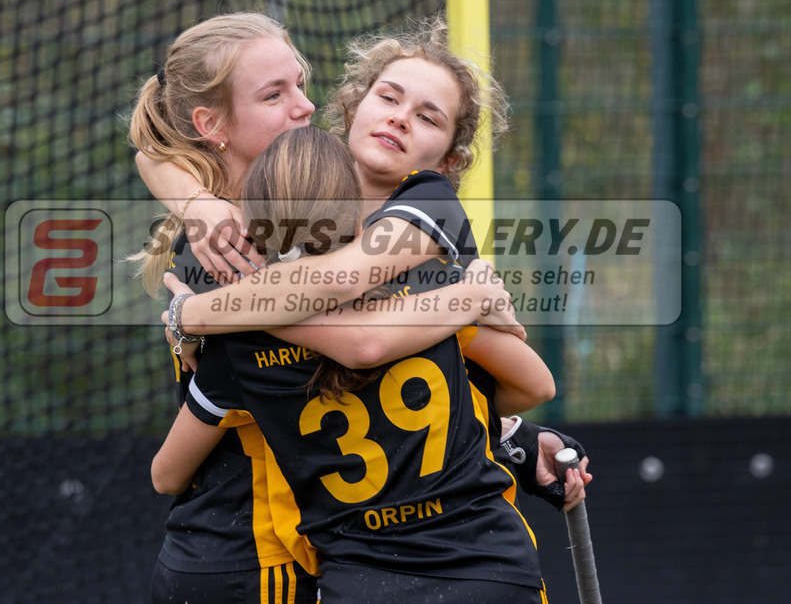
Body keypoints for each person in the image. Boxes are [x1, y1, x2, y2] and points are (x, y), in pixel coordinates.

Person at [157, 16, 590, 508]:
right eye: (388, 97)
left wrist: (196, 314)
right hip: (308, 532)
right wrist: (193, 202)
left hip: (440, 524)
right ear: (352, 107)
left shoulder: (426, 206)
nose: (401, 117)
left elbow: (517, 381)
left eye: (429, 118)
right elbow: (150, 154)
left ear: (449, 160)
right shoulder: (270, 214)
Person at [157, 126, 556, 602]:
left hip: (360, 580)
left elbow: (166, 475)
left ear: (253, 228)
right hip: (487, 564)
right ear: (367, 223)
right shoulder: (436, 291)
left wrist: (192, 321)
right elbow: (537, 385)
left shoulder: (239, 343)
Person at [127, 12, 319, 604]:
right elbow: (365, 357)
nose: (305, 106)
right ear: (213, 126)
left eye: (301, 84)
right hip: (256, 558)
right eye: (274, 94)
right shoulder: (232, 252)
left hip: (248, 550)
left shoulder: (267, 213)